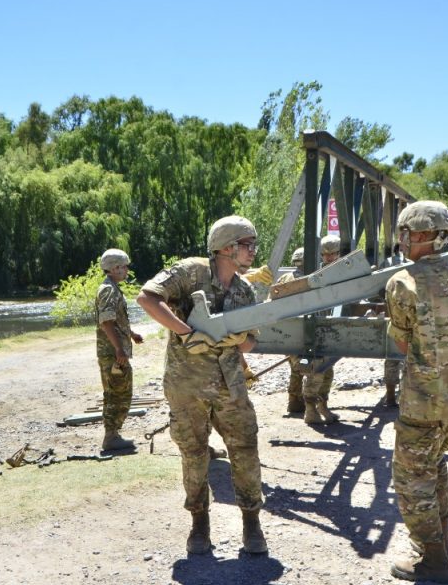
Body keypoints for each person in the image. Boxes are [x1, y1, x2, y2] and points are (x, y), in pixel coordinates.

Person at [136, 216, 267, 555]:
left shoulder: (244, 289)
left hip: (230, 387)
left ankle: (252, 524)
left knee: (245, 450)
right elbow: (147, 298)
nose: (253, 251)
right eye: (248, 244)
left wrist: (239, 339)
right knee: (194, 454)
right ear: (227, 248)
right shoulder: (191, 271)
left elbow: (251, 342)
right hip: (187, 385)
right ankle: (199, 525)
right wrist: (186, 332)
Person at [386, 200, 448, 583]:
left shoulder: (403, 282)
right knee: (436, 465)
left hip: (423, 400)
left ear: (424, 235)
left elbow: (403, 345)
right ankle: (440, 543)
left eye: (406, 233)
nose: (402, 240)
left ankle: (432, 558)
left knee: (411, 478)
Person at [95, 249, 144, 451]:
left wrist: (131, 334)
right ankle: (111, 436)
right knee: (118, 393)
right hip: (111, 353)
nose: (126, 270)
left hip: (112, 352)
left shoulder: (112, 288)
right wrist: (119, 350)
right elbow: (106, 322)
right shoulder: (108, 290)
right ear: (115, 268)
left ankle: (113, 434)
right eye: (124, 266)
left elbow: (116, 319)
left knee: (116, 391)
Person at [301, 234, 343, 424]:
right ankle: (310, 410)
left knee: (328, 371)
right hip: (316, 328)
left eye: (333, 254)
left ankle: (323, 406)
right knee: (315, 370)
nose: (329, 258)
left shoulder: (343, 274)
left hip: (332, 329)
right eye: (326, 255)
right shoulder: (315, 275)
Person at [275, 247, 306, 414]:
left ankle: (295, 401)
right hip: (302, 329)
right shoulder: (312, 278)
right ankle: (307, 402)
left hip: (288, 330)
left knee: (296, 368)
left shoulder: (285, 278)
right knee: (308, 367)